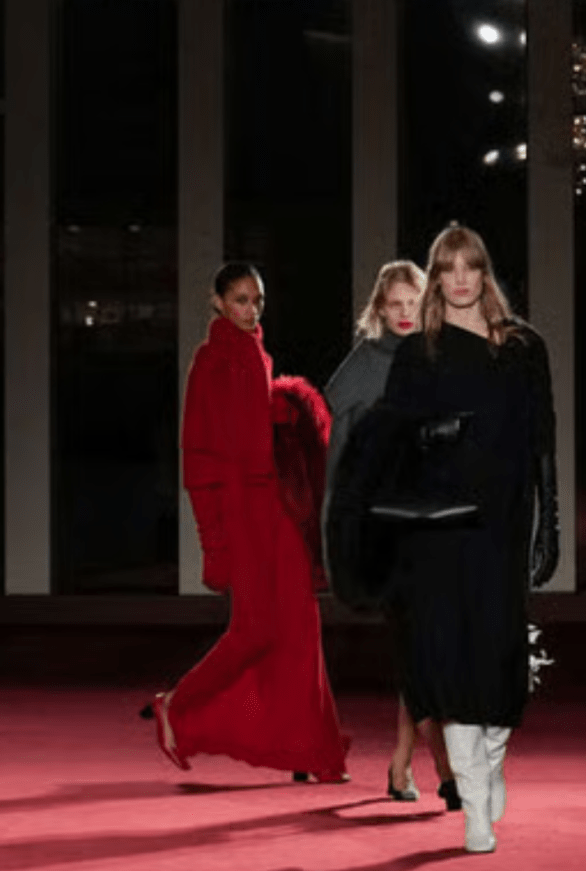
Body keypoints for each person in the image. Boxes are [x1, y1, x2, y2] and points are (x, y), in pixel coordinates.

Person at [341, 224, 559, 853]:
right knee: (452, 658)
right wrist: (425, 438)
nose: (460, 279)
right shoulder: (419, 353)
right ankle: (473, 802)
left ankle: (490, 761)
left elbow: (542, 441)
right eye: (447, 268)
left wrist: (550, 522)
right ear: (435, 277)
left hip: (504, 523)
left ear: (485, 273)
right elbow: (391, 443)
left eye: (471, 266)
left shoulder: (524, 348)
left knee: (499, 657)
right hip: (439, 528)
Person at [151, 262, 349, 783]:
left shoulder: (259, 354)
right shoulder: (209, 361)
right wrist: (211, 540)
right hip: (240, 512)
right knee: (255, 630)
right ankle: (177, 705)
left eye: (257, 300)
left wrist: (280, 412)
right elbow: (198, 460)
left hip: (274, 508)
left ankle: (313, 751)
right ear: (217, 302)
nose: (250, 309)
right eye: (240, 300)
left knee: (302, 625)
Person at [322, 260, 455, 807]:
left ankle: (403, 764)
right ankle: (444, 770)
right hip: (381, 528)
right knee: (415, 644)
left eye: (413, 303)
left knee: (421, 649)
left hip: (433, 522)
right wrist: (338, 530)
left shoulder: (438, 360)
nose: (404, 313)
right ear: (379, 308)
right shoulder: (362, 365)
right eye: (394, 304)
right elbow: (336, 457)